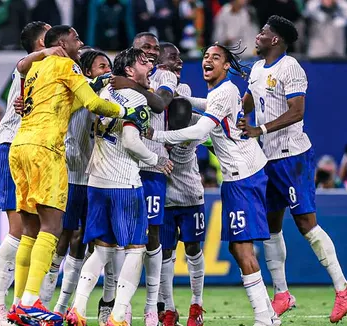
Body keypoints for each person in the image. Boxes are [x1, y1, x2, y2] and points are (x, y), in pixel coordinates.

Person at [7, 25, 150, 326]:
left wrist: (97, 81)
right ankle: (33, 300)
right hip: (46, 148)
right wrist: (127, 114)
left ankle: (19, 302)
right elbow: (93, 104)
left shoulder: (36, 68)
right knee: (53, 225)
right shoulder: (65, 64)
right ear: (62, 43)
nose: (81, 42)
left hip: (20, 146)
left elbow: (63, 97)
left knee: (30, 229)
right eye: (76, 39)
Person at [148, 43, 279, 326]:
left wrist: (154, 136)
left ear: (227, 65)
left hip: (243, 176)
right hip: (241, 175)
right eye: (205, 56)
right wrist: (184, 98)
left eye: (215, 57)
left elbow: (199, 130)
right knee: (237, 247)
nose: (207, 60)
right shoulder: (223, 92)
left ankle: (263, 319)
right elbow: (207, 107)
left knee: (242, 248)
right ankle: (269, 316)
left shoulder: (225, 91)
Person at [238, 15, 347, 323]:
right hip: (268, 159)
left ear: (275, 39)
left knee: (306, 225)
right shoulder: (256, 69)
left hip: (292, 156)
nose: (258, 35)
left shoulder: (291, 68)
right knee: (270, 227)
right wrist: (236, 113)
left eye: (263, 32)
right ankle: (282, 293)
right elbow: (249, 100)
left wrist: (259, 129)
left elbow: (297, 110)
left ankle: (343, 288)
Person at [65, 47, 173, 326]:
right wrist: (156, 159)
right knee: (137, 248)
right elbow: (131, 140)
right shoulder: (137, 98)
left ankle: (77, 309)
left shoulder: (104, 93)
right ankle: (118, 315)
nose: (149, 65)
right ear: (128, 70)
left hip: (96, 180)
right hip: (124, 182)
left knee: (102, 248)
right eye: (143, 62)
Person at [0, 21, 68, 326]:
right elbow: (21, 67)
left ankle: (22, 304)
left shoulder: (48, 68)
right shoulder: (32, 67)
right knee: (20, 231)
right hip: (12, 149)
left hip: (31, 154)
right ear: (41, 43)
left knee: (33, 232)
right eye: (50, 35)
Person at [38, 50, 114, 317]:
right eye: (101, 66)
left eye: (109, 66)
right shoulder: (77, 92)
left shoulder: (106, 96)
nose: (107, 70)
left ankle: (63, 308)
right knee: (63, 237)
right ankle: (43, 303)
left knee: (84, 241)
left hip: (95, 178)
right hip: (70, 176)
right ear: (87, 71)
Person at [109, 32, 177, 326]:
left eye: (155, 49)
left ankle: (151, 307)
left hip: (151, 168)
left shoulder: (164, 75)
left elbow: (160, 104)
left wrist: (131, 83)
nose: (151, 52)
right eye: (145, 48)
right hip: (120, 166)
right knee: (116, 238)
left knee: (151, 237)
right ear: (133, 52)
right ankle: (117, 306)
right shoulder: (121, 78)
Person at [151, 42, 205, 326]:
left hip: (189, 187)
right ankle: (169, 309)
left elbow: (198, 122)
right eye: (173, 58)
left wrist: (187, 141)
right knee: (166, 252)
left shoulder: (183, 94)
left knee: (193, 248)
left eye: (180, 57)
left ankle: (197, 305)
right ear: (159, 61)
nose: (180, 61)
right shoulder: (150, 95)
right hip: (164, 189)